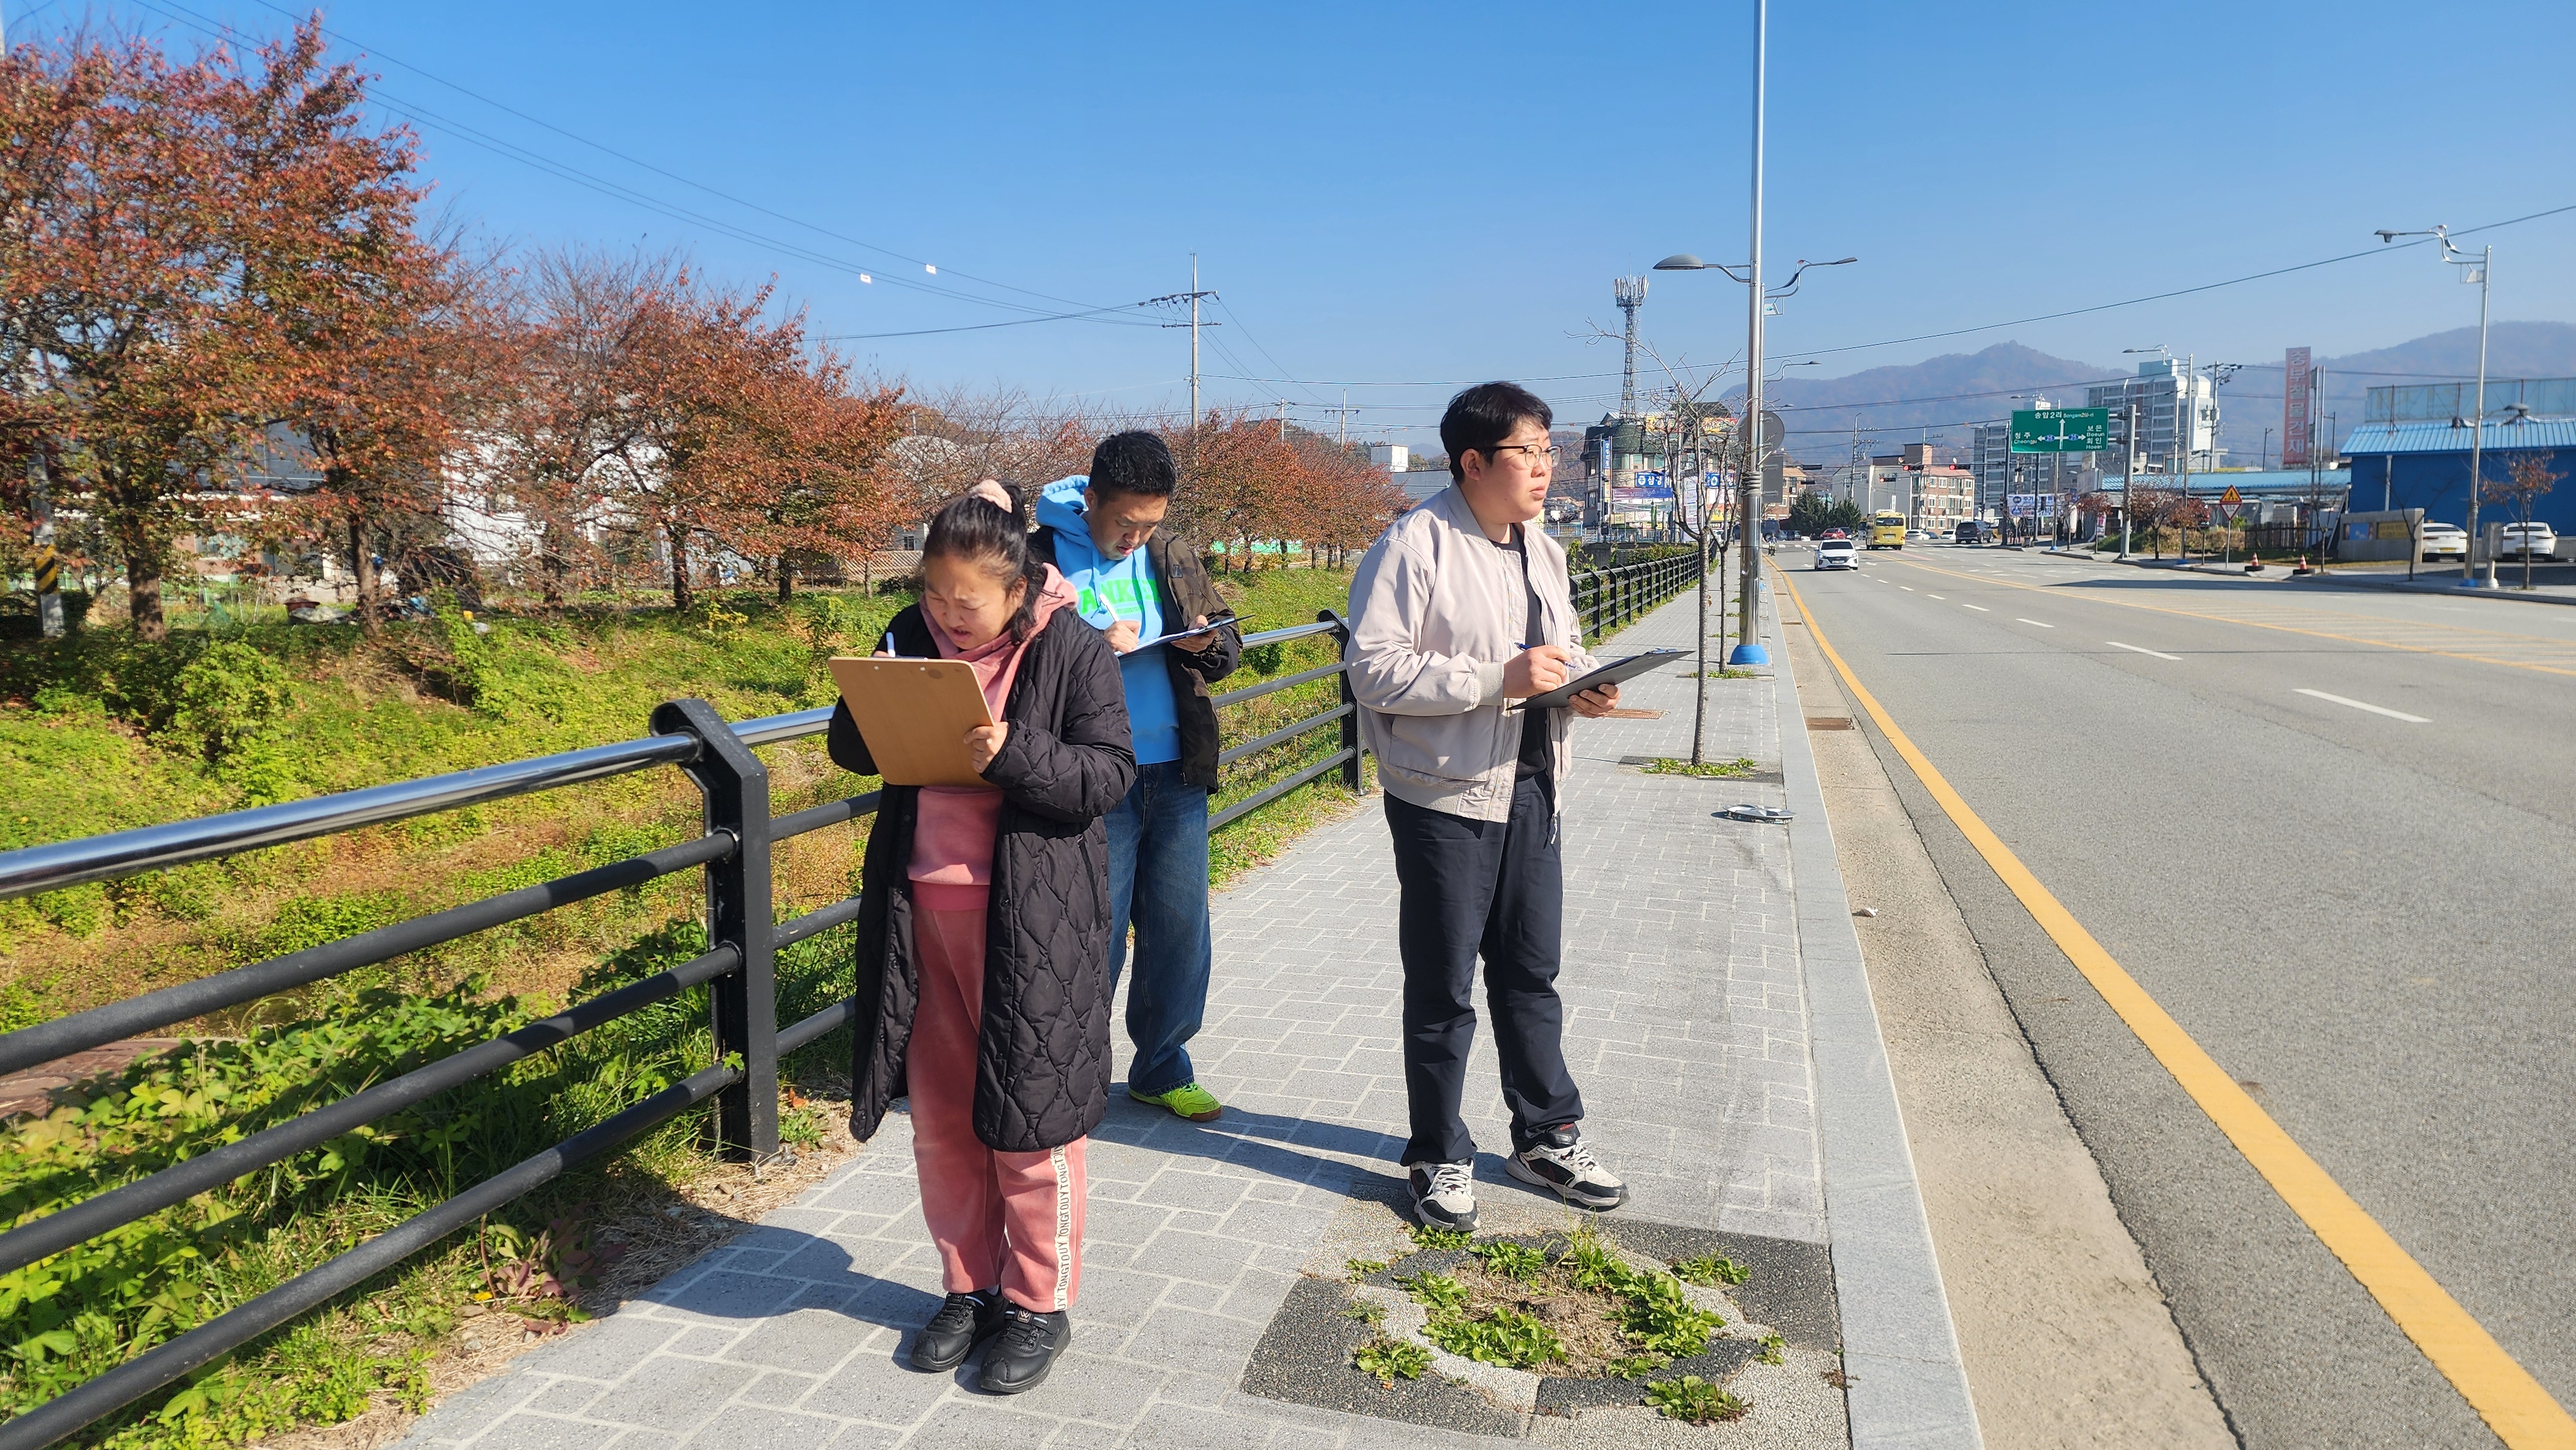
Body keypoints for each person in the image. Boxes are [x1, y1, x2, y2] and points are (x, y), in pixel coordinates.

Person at [828, 493, 1135, 1393]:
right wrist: (870, 695)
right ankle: (971, 1288)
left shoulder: (1071, 649)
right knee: (945, 1123)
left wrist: (1011, 753)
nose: (946, 615)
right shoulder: (908, 633)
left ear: (1018, 588)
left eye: (967, 602)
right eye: (934, 594)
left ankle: (1041, 1303)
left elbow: (1107, 776)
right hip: (919, 911)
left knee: (1032, 1122)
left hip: (1030, 924)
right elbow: (857, 750)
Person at [1344, 381, 1629, 1232]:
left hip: (1535, 784)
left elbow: (1561, 644)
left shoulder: (1542, 545)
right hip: (1445, 795)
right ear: (1474, 463)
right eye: (1527, 454)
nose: (1545, 468)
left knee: (1530, 974)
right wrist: (1493, 680)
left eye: (1551, 452)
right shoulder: (1414, 544)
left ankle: (1546, 1135)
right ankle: (1437, 1153)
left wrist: (1583, 684)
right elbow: (1373, 670)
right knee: (1443, 986)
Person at [1031, 431, 1243, 1123]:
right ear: (1090, 500)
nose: (1137, 535)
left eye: (1151, 522)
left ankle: (1162, 1066)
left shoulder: (1168, 551)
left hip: (1177, 769)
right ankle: (1076, 1074)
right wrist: (1091, 642)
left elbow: (1229, 643)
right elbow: (1008, 656)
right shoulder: (1035, 556)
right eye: (1125, 522)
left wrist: (1206, 641)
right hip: (1093, 778)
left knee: (1180, 933)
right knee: (1092, 933)